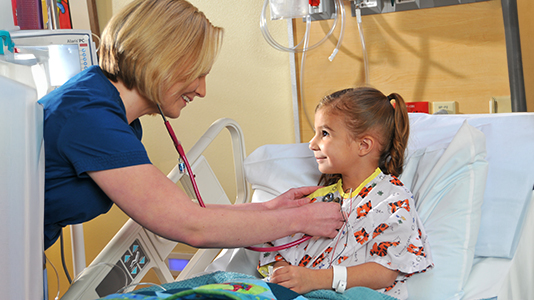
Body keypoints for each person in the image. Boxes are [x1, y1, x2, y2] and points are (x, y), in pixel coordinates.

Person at [39, 0, 345, 251]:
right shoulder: (90, 117)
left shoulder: (111, 113)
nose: (202, 90)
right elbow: (192, 226)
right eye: (197, 74)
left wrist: (269, 210)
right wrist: (301, 220)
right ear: (162, 59)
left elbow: (188, 213)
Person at [257, 87, 433, 299]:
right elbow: (276, 244)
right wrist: (283, 273)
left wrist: (313, 279)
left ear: (364, 145)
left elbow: (385, 270)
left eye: (324, 134)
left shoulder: (393, 199)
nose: (312, 144)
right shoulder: (318, 198)